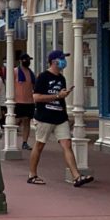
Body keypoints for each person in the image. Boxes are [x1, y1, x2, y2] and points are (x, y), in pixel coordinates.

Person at [28, 50, 93, 187]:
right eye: (61, 58)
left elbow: (61, 98)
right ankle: (32, 174)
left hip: (59, 117)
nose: (64, 61)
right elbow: (36, 97)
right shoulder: (43, 77)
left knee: (67, 145)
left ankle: (76, 176)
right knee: (39, 145)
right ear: (53, 61)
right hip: (44, 116)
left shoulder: (61, 78)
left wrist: (65, 111)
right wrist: (57, 96)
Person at [14, 52, 35, 150]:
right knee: (15, 121)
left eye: (29, 60)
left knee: (27, 122)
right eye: (26, 59)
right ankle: (11, 141)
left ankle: (25, 142)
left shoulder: (31, 73)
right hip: (18, 101)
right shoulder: (15, 71)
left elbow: (34, 86)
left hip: (29, 101)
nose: (28, 61)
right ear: (20, 61)